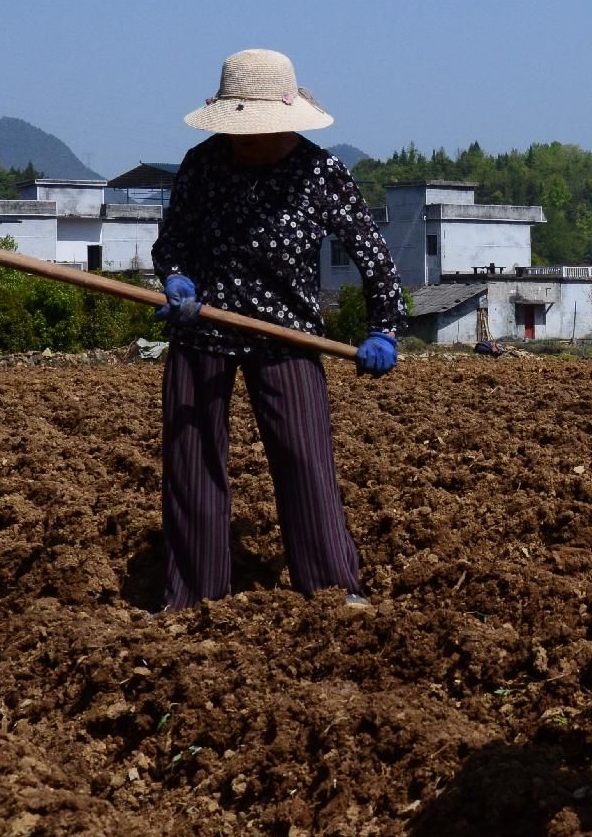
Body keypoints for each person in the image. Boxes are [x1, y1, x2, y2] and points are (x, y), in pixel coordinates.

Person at [150, 48, 403, 612]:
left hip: (288, 335)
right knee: (193, 462)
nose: (248, 139)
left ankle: (334, 588)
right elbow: (172, 245)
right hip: (203, 330)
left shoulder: (320, 171)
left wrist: (384, 328)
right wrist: (179, 282)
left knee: (303, 459)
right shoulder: (203, 163)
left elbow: (374, 257)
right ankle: (193, 597)